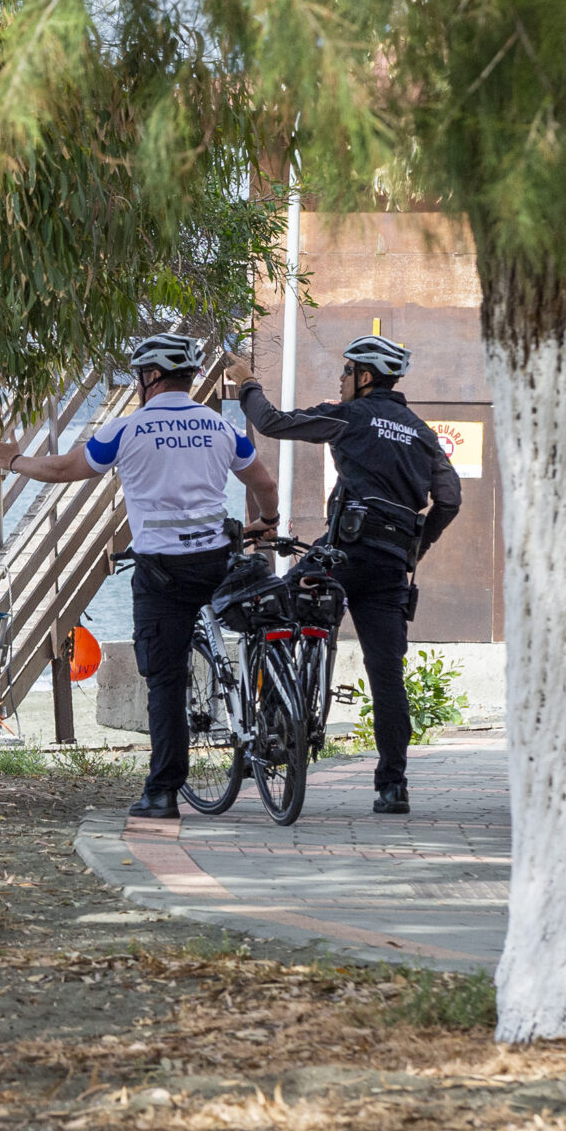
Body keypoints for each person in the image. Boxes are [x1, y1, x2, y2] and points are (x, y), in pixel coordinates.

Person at [0, 334, 281, 819]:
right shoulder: (220, 427)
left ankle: (163, 794)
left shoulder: (129, 429)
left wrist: (13, 460)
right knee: (260, 626)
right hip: (217, 561)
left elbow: (62, 469)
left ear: (151, 377)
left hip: (163, 574)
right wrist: (267, 523)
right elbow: (263, 483)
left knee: (165, 679)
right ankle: (270, 725)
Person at [229, 335, 461, 815]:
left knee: (272, 613)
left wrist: (247, 383)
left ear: (365, 378)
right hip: (393, 565)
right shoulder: (422, 433)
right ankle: (392, 787)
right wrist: (417, 546)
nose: (340, 379)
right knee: (386, 676)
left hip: (342, 555)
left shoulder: (350, 416)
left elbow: (272, 422)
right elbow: (450, 499)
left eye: (346, 370)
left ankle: (275, 729)